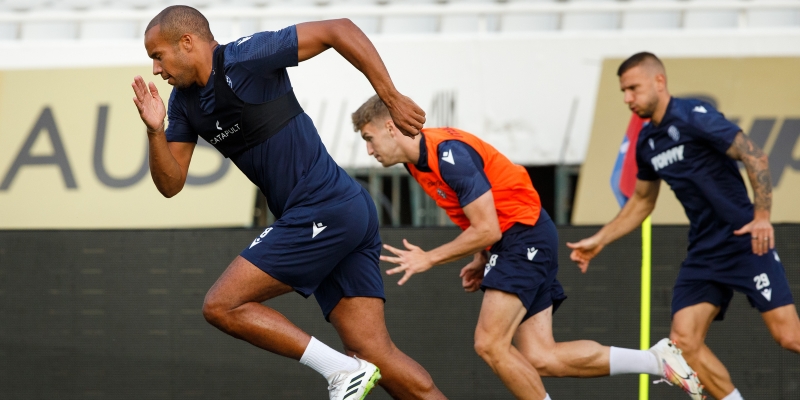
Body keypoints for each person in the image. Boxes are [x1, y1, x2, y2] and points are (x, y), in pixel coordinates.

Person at [130, 6, 447, 400]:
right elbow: (170, 184)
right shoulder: (182, 105)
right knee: (374, 353)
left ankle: (340, 371)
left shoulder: (246, 57)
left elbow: (338, 28)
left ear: (187, 42)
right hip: (341, 211)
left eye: (157, 56)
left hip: (323, 207)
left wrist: (391, 97)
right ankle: (353, 368)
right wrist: (154, 131)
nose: (156, 70)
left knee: (221, 305)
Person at [352, 95, 703, 400]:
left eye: (369, 139)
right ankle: (656, 360)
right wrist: (480, 256)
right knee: (540, 356)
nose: (369, 150)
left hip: (523, 236)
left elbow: (487, 225)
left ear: (391, 128)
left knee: (490, 344)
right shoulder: (418, 164)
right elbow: (476, 214)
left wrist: (429, 257)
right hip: (521, 236)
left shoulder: (448, 154)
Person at [568, 52, 800, 400]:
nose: (627, 98)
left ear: (659, 82)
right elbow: (643, 202)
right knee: (682, 342)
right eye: (623, 92)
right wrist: (600, 240)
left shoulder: (693, 115)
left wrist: (762, 216)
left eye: (633, 88)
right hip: (705, 251)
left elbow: (755, 154)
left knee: (789, 338)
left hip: (744, 241)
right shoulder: (647, 143)